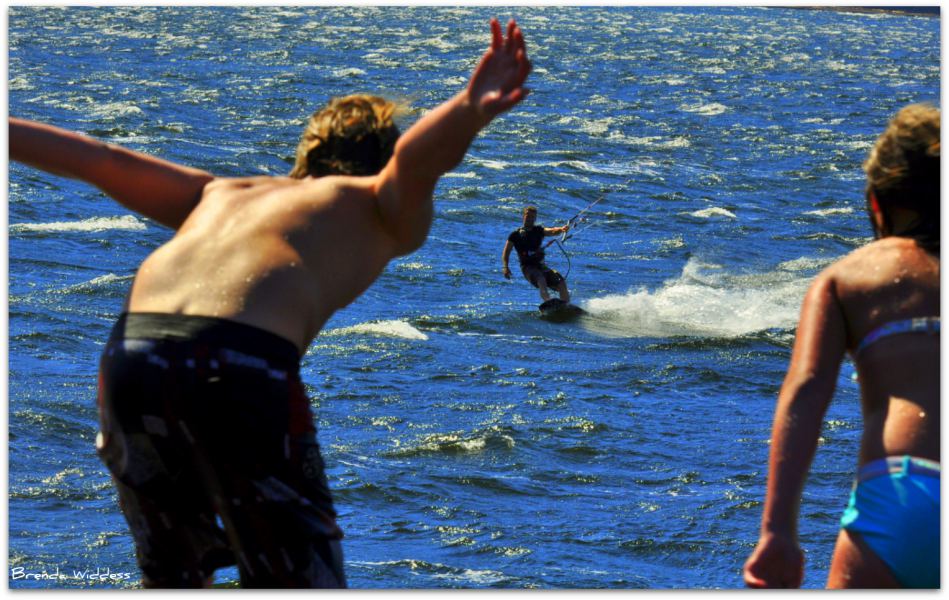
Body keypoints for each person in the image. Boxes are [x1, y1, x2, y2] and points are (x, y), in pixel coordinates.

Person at [9, 17, 531, 588]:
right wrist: (469, 107)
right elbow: (418, 162)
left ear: (306, 152)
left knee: (171, 575)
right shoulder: (379, 207)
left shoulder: (221, 192)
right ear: (379, 159)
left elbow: (97, 159)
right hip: (235, 364)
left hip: (131, 359)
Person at [743, 103, 940, 589]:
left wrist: (778, 531)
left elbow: (806, 392)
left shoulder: (848, 277)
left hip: (905, 495)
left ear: (876, 201)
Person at [501, 205, 571, 303]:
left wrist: (561, 229)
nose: (530, 219)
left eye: (532, 217)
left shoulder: (538, 230)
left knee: (560, 280)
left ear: (535, 218)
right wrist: (505, 267)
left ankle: (566, 304)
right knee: (540, 279)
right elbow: (506, 251)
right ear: (523, 216)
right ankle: (548, 302)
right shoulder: (515, 235)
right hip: (528, 268)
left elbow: (552, 231)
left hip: (541, 266)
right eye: (528, 216)